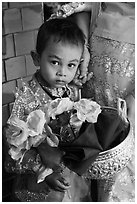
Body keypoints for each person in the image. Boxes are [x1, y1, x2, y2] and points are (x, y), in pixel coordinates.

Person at [44, 2, 135, 202]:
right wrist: (82, 45)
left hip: (131, 74)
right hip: (95, 54)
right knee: (88, 144)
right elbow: (83, 4)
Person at [4, 17, 92, 202]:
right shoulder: (27, 97)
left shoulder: (71, 91)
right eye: (55, 62)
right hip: (40, 184)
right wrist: (43, 171)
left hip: (70, 176)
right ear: (37, 58)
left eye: (71, 65)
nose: (63, 72)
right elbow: (13, 148)